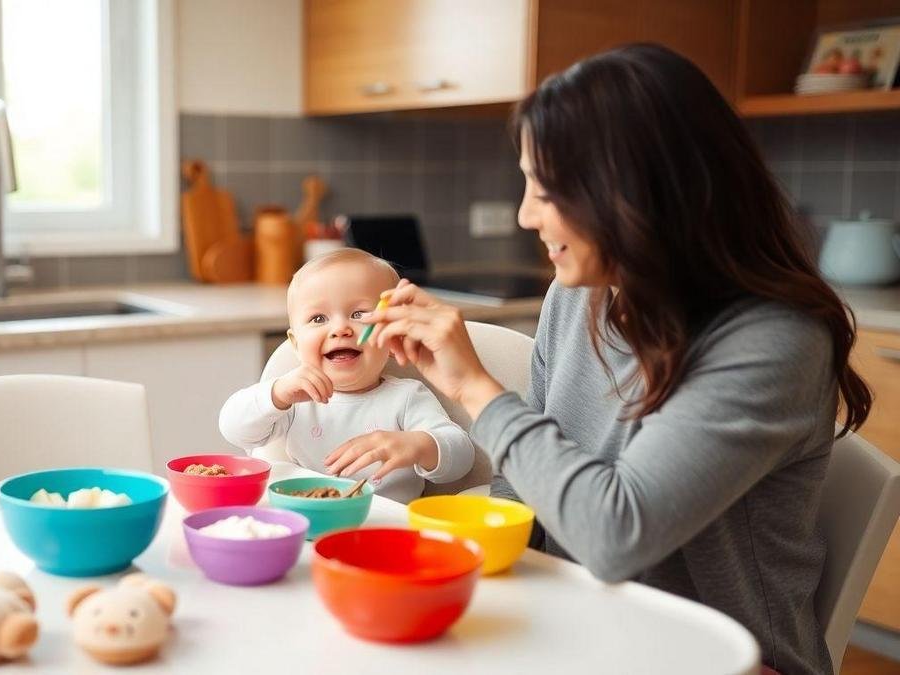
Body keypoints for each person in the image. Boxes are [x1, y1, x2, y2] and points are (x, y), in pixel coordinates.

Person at [357, 44, 871, 675]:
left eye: (546, 192)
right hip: (588, 627)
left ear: (634, 194)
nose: (524, 215)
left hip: (723, 658)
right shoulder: (576, 299)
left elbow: (615, 535)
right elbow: (521, 493)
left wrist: (476, 391)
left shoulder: (772, 343)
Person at [218, 248, 475, 503]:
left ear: (393, 335)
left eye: (359, 314)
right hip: (310, 523)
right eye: (319, 318)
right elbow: (234, 430)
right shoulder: (295, 400)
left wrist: (418, 445)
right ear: (296, 345)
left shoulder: (406, 397)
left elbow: (462, 459)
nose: (340, 329)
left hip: (386, 530)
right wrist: (276, 394)